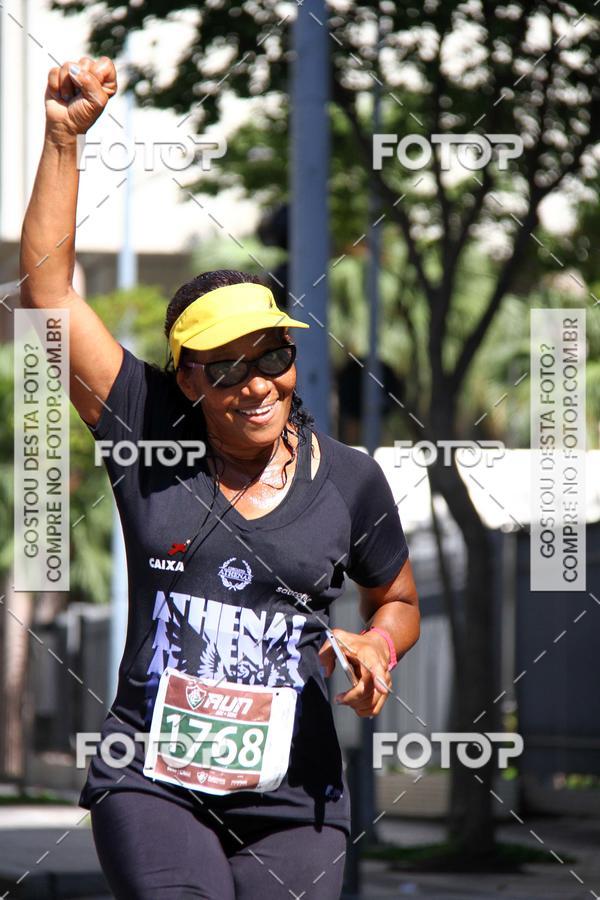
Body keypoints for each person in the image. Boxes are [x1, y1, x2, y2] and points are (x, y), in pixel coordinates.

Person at [20, 56, 420, 900]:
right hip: (152, 780)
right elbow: (46, 295)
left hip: (295, 796)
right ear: (188, 382)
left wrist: (378, 645)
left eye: (272, 355)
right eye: (225, 367)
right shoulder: (144, 433)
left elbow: (398, 599)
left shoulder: (350, 480)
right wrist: (63, 139)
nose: (256, 383)